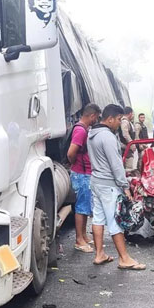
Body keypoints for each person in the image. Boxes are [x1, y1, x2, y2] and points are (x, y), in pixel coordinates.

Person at [88, 104, 146, 270]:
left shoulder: (91, 134)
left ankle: (99, 254)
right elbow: (116, 165)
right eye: (119, 120)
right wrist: (125, 186)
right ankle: (124, 258)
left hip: (96, 182)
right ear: (110, 118)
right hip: (108, 185)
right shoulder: (107, 137)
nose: (119, 123)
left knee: (98, 218)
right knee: (115, 220)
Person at [67, 103, 101, 253]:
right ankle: (79, 240)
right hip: (81, 174)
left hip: (84, 173)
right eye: (96, 117)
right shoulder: (81, 131)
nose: (96, 121)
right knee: (81, 207)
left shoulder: (82, 129)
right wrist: (76, 165)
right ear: (92, 115)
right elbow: (71, 153)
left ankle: (84, 236)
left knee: (85, 205)